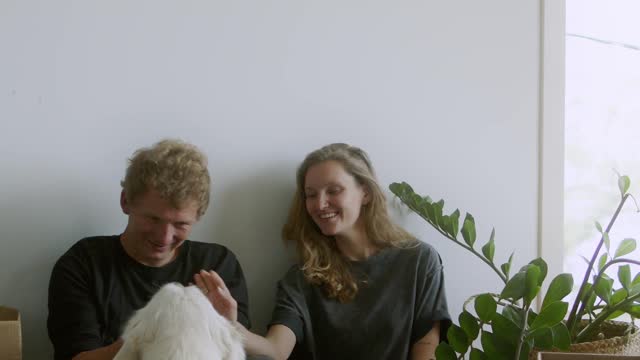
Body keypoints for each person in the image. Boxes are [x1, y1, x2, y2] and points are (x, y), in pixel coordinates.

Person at [200, 143, 451, 360]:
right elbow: (275, 351)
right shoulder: (302, 278)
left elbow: (427, 347)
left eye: (334, 191)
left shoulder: (418, 261)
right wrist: (230, 325)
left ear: (365, 192)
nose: (320, 204)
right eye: (311, 194)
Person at [47, 139, 251, 360]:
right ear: (126, 201)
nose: (164, 236)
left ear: (198, 217)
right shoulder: (84, 264)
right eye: (153, 218)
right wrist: (148, 334)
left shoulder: (218, 265)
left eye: (180, 224)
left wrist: (229, 327)